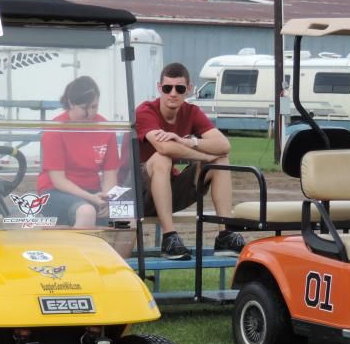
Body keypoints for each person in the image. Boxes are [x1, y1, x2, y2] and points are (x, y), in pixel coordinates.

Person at [136, 62, 244, 260]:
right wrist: (204, 155)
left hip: (171, 190)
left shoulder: (191, 111)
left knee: (221, 160)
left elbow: (223, 144)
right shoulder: (146, 111)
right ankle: (169, 238)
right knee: (162, 159)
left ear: (189, 89)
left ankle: (225, 234)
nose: (173, 93)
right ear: (159, 88)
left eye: (180, 88)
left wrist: (188, 141)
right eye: (167, 88)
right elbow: (164, 148)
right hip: (139, 195)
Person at [36, 76, 121, 229]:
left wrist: (109, 200)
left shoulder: (105, 128)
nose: (90, 114)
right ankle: (78, 253)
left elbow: (110, 175)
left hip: (93, 192)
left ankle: (118, 254)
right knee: (86, 212)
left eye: (94, 107)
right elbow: (58, 181)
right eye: (84, 108)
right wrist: (92, 199)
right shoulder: (55, 130)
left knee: (127, 217)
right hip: (55, 192)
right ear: (70, 103)